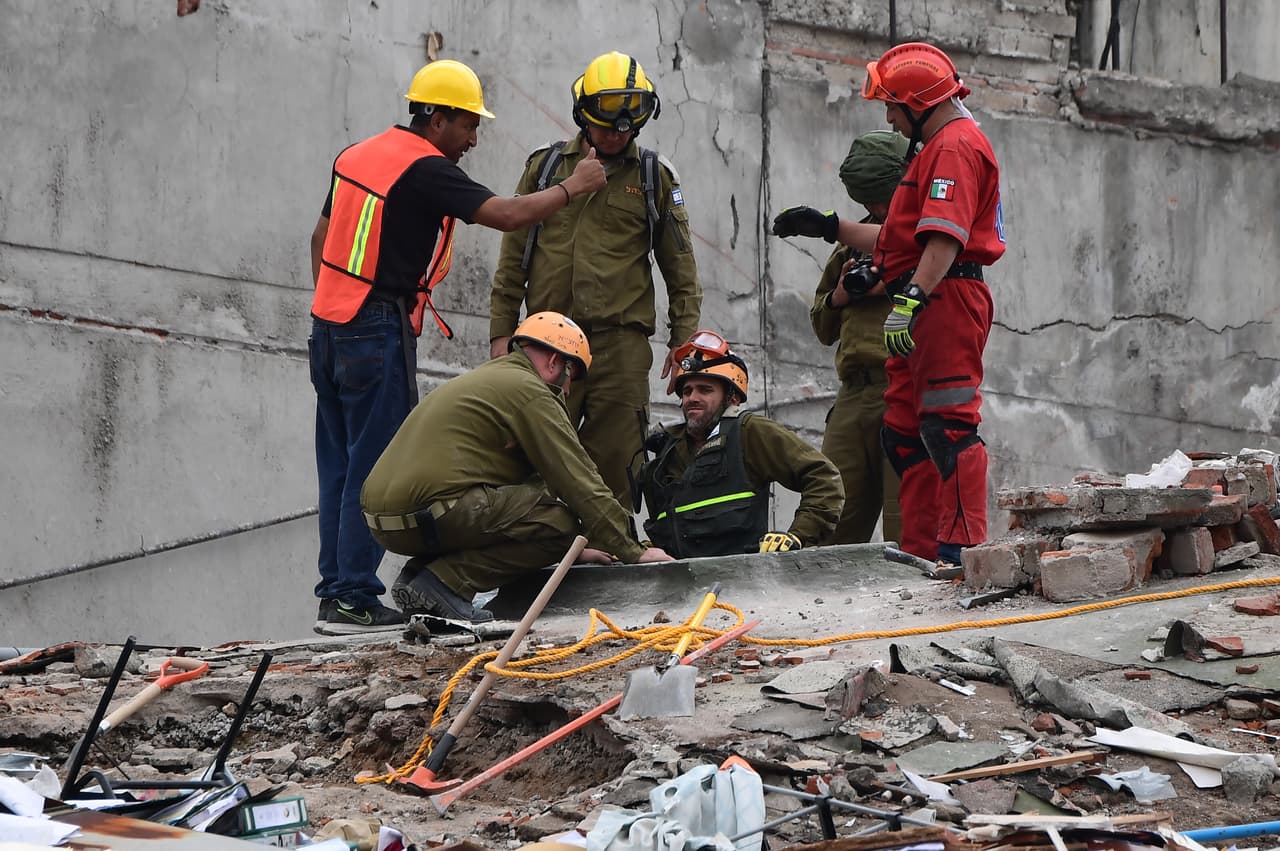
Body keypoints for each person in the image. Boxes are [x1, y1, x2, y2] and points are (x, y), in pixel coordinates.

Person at [309, 60, 607, 635]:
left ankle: (336, 595)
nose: (473, 138)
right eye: (469, 124)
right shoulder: (425, 168)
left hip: (329, 326)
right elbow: (507, 214)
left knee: (338, 465)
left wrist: (331, 303)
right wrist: (573, 187)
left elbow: (320, 238)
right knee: (371, 467)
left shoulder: (358, 155)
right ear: (436, 117)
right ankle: (352, 598)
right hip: (375, 326)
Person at [772, 42, 1005, 566]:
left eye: (892, 107)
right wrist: (829, 227)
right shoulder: (935, 149)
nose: (889, 119)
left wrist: (912, 298)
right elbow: (895, 240)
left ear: (917, 102)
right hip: (925, 297)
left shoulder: (953, 147)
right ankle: (921, 554)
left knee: (949, 428)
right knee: (904, 434)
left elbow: (943, 240)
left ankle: (960, 549)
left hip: (945, 298)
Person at [360, 312, 674, 625]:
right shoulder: (530, 392)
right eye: (569, 377)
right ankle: (445, 582)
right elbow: (579, 481)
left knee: (536, 514)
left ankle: (418, 579)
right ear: (553, 361)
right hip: (438, 510)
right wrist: (633, 550)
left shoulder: (487, 381)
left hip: (385, 525)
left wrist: (576, 549)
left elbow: (530, 492)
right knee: (561, 523)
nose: (566, 391)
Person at [489, 50, 701, 512]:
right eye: (606, 124)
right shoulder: (546, 169)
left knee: (616, 472)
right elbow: (514, 255)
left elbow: (681, 269)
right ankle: (532, 573)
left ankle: (612, 573)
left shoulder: (653, 177)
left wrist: (683, 343)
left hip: (619, 349)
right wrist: (501, 332)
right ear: (583, 116)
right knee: (531, 463)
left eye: (628, 125)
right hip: (545, 343)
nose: (617, 133)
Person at [635, 331, 845, 559]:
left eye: (705, 390)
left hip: (741, 584)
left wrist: (798, 535)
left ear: (732, 398)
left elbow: (824, 478)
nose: (692, 398)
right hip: (677, 584)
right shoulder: (668, 450)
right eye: (687, 391)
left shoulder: (749, 432)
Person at [807, 131, 909, 545]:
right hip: (852, 396)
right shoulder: (851, 246)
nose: (875, 209)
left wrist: (897, 281)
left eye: (880, 199)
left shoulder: (928, 236)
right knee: (831, 519)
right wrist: (841, 296)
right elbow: (821, 325)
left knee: (907, 525)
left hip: (901, 386)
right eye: (868, 202)